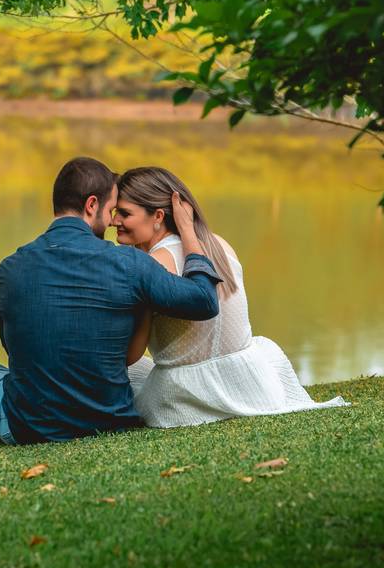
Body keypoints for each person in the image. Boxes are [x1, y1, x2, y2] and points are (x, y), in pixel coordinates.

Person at [0, 157, 223, 445]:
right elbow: (204, 301)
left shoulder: (9, 268)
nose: (111, 223)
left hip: (29, 427)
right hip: (109, 420)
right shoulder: (130, 263)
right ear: (91, 204)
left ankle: (0, 413)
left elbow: (13, 347)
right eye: (110, 211)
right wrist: (187, 231)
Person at [116, 166, 349, 428]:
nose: (115, 221)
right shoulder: (219, 244)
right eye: (114, 213)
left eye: (124, 213)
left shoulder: (153, 265)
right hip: (252, 386)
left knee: (128, 370)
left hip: (181, 398)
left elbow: (131, 354)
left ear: (158, 215)